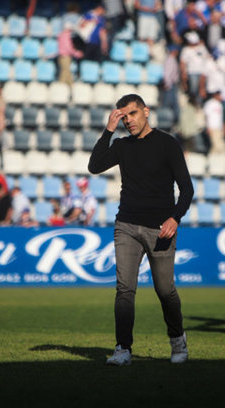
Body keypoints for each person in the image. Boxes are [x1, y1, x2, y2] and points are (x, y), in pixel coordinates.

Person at [88, 94, 194, 365]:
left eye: (132, 114)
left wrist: (175, 218)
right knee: (124, 289)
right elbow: (95, 166)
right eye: (123, 117)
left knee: (165, 290)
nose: (128, 121)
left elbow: (187, 188)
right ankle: (123, 348)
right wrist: (108, 130)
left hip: (160, 229)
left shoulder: (167, 144)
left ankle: (177, 340)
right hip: (126, 226)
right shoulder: (122, 145)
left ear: (146, 111)